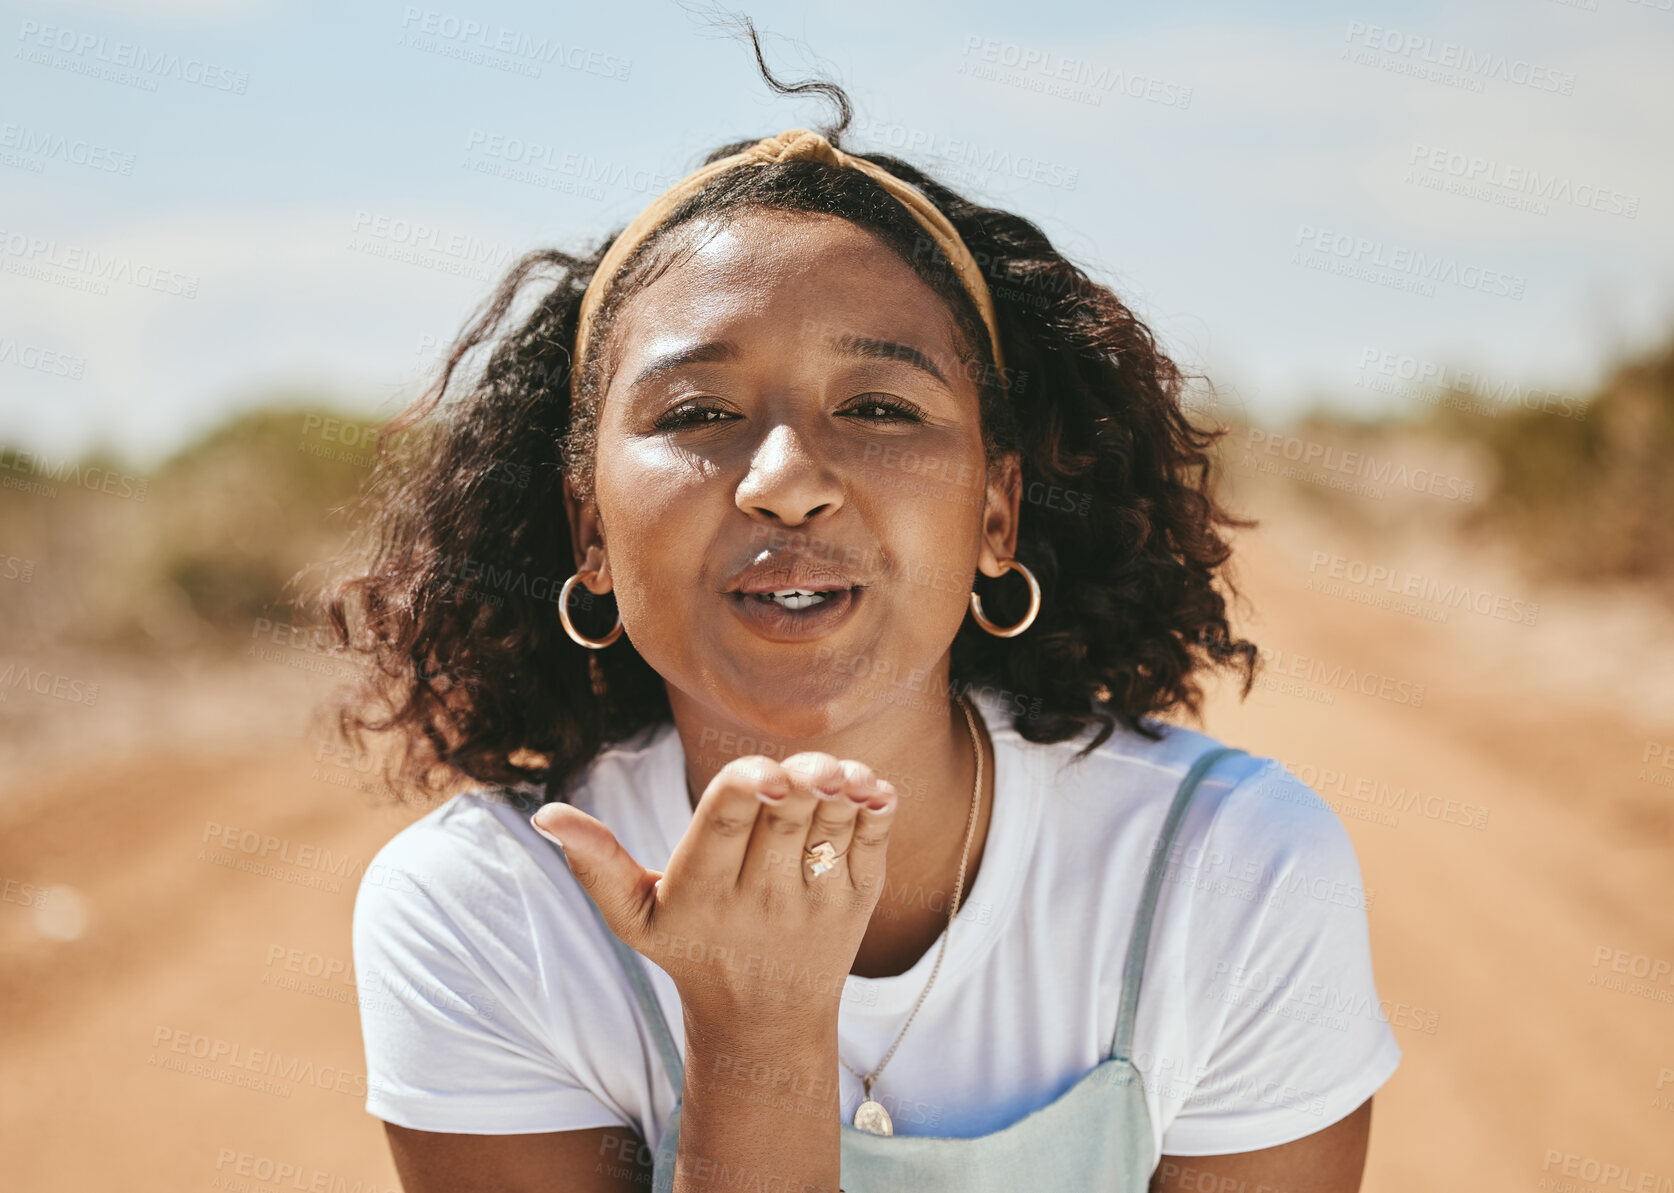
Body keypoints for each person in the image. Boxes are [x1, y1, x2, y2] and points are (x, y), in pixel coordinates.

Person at [325, 44, 1399, 1193]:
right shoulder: (488, 910)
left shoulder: (1223, 866)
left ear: (998, 512)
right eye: (698, 410)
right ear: (589, 525)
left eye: (881, 406)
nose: (786, 477)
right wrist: (755, 1035)